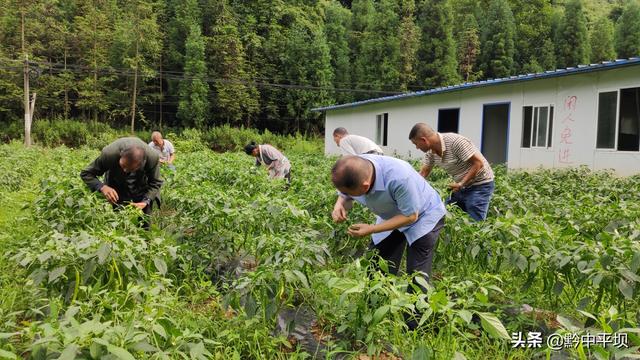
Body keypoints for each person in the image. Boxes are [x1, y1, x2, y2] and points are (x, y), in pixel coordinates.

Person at [331, 155, 446, 292]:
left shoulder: (400, 178)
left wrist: (372, 229)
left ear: (365, 186)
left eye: (350, 193)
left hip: (423, 215)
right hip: (391, 212)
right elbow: (344, 193)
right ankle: (377, 303)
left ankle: (417, 311)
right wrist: (339, 204)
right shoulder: (353, 167)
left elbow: (410, 216)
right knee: (378, 261)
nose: (346, 194)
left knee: (417, 274)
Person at [408, 123, 495, 221]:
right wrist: (410, 189)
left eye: (416, 144)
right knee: (444, 213)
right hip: (460, 186)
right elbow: (424, 172)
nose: (417, 148)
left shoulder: (455, 142)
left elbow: (478, 163)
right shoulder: (430, 152)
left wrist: (461, 183)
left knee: (474, 221)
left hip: (480, 185)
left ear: (424, 140)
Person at [80, 137, 163, 228]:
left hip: (141, 186)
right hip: (115, 184)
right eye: (123, 166)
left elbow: (155, 182)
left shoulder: (152, 158)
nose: (125, 170)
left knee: (144, 223)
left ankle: (146, 240)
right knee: (116, 221)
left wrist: (145, 201)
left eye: (130, 169)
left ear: (142, 164)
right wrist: (102, 187)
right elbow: (86, 173)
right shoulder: (109, 154)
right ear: (120, 155)